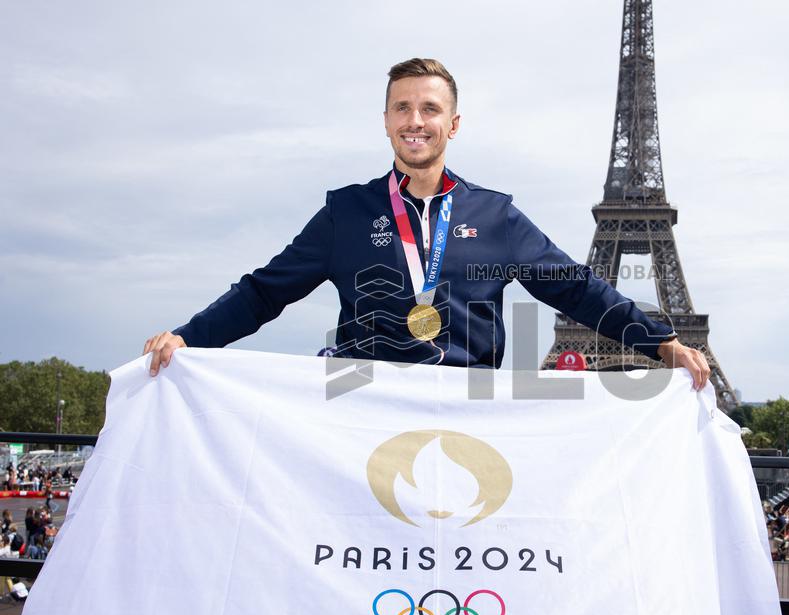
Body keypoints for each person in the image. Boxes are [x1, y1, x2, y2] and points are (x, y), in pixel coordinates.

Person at [142, 58, 710, 389]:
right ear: (386, 122)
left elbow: (576, 288)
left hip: (467, 408)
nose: (416, 121)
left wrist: (660, 343)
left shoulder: (496, 215)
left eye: (430, 109)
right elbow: (264, 293)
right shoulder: (346, 212)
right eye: (403, 109)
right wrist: (190, 337)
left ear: (453, 123)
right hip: (364, 408)